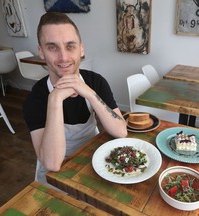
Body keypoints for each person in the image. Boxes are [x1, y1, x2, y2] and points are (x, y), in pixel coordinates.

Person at [23, 12, 128, 186]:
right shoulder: (34, 99)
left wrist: (90, 94)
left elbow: (120, 131)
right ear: (41, 52)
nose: (63, 57)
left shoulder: (96, 82)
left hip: (92, 158)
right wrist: (55, 100)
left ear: (81, 49)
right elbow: (52, 163)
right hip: (54, 175)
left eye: (70, 46)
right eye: (52, 47)